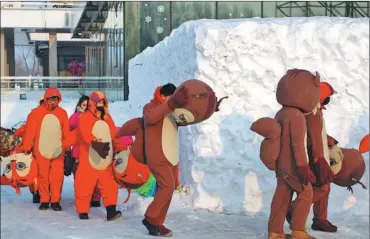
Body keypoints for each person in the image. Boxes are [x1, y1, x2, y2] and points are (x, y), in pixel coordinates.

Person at [267, 69, 320, 239]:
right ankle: (298, 230)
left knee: (282, 195)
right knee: (306, 193)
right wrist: (303, 167)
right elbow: (297, 145)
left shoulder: (281, 112)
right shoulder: (297, 116)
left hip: (280, 164)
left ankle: (275, 232)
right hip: (293, 166)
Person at [286, 82, 337, 233]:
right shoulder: (310, 111)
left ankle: (320, 219)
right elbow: (308, 136)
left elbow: (317, 133)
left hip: (319, 154)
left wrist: (328, 139)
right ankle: (293, 209)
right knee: (323, 187)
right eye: (327, 96)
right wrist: (317, 158)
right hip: (314, 156)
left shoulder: (316, 109)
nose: (328, 99)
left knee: (325, 186)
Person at [141, 83, 188, 237]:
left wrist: (206, 109)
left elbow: (184, 119)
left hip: (171, 156)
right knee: (167, 186)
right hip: (158, 156)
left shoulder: (172, 110)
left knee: (169, 187)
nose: (173, 100)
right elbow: (150, 118)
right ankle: (150, 217)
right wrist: (170, 105)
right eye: (171, 97)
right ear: (162, 96)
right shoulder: (150, 106)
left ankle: (157, 223)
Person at [74, 90, 124, 220]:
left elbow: (114, 135)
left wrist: (120, 148)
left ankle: (111, 210)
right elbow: (85, 134)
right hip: (88, 159)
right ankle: (83, 211)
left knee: (110, 186)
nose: (101, 104)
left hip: (105, 160)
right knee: (84, 185)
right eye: (98, 102)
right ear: (93, 103)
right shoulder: (85, 117)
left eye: (103, 102)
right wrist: (96, 144)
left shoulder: (107, 118)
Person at [19, 88, 71, 211]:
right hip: (40, 151)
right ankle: (44, 200)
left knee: (57, 177)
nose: (53, 101)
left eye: (55, 99)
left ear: (59, 100)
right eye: (51, 99)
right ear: (46, 99)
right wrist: (26, 147)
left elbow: (66, 132)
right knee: (43, 176)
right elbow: (30, 132)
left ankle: (55, 201)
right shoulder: (36, 113)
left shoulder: (62, 113)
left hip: (58, 151)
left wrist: (67, 146)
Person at [64, 95, 102, 207]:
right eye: (83, 105)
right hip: (78, 153)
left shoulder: (97, 116)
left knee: (96, 178)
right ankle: (82, 199)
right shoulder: (75, 117)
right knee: (80, 179)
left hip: (94, 151)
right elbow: (67, 130)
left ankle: (95, 198)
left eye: (87, 105)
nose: (86, 108)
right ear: (79, 106)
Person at [13, 97, 44, 204]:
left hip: (45, 150)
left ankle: (40, 193)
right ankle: (37, 192)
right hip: (34, 151)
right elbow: (22, 131)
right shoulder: (34, 115)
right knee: (35, 173)